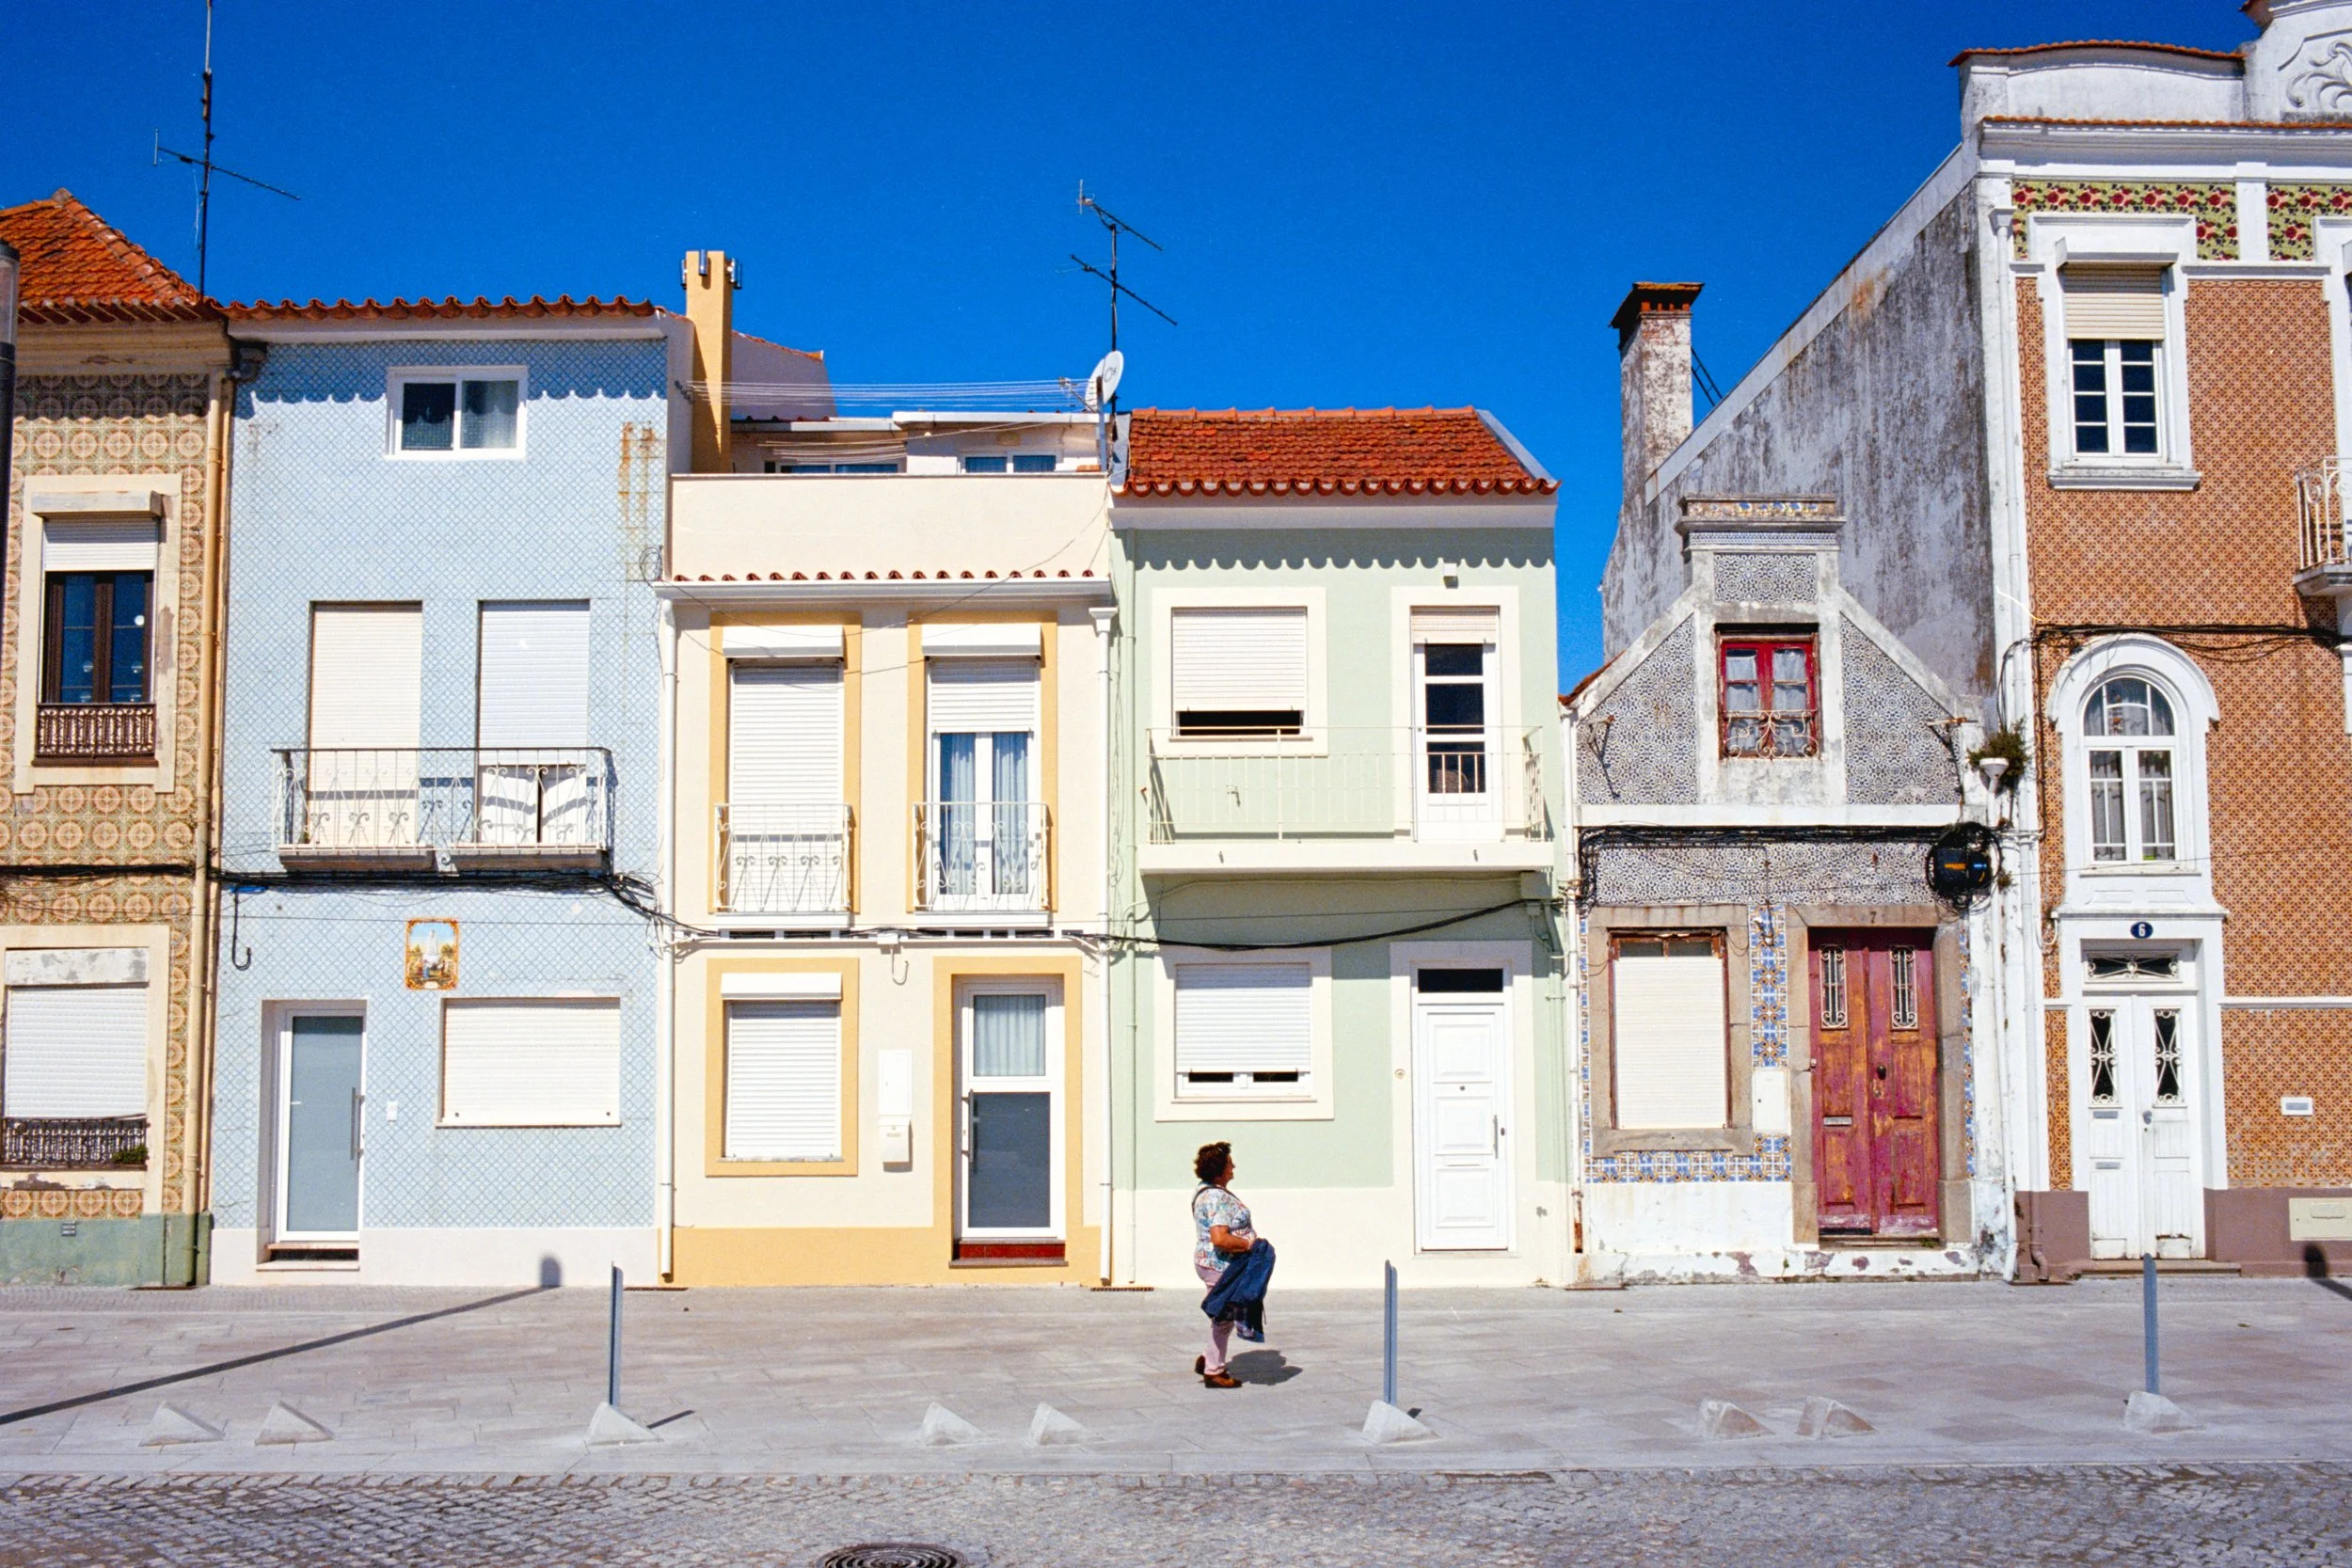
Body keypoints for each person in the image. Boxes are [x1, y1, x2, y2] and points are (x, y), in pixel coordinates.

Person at [1191, 1141, 1259, 1389]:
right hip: (1220, 1265)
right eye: (1230, 1164)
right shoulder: (1217, 1198)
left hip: (1210, 1262)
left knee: (1223, 1314)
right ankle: (1214, 1370)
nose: (1234, 1167)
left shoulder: (1205, 1190)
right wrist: (1249, 1245)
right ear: (1219, 1169)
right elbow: (1220, 1238)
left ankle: (1208, 1358)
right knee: (1224, 1317)